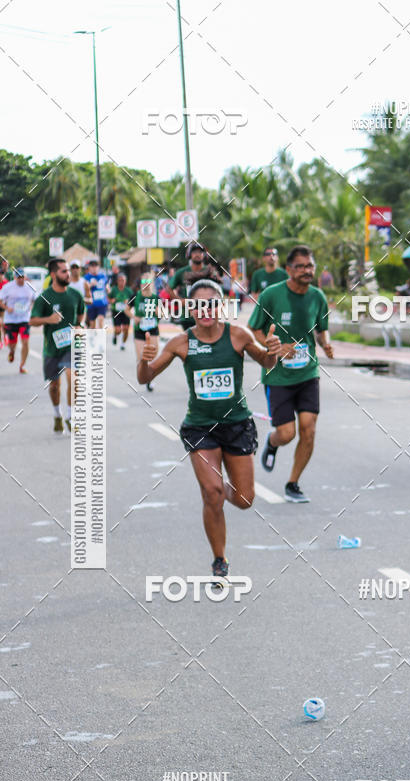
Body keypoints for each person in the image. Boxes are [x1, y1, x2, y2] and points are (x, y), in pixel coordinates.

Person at [137, 278, 281, 579]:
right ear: (190, 308)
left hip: (237, 425)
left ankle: (225, 489)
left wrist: (273, 350)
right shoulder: (181, 342)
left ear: (221, 307)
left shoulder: (238, 335)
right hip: (200, 427)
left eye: (212, 304)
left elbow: (267, 362)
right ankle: (219, 559)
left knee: (243, 499)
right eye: (199, 304)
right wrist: (143, 361)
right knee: (211, 493)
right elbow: (145, 377)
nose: (205, 309)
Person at [248, 244, 334, 502]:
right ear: (289, 269)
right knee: (287, 433)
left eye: (310, 266)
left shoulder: (317, 296)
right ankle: (272, 443)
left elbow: (321, 328)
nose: (307, 271)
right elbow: (255, 329)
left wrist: (325, 342)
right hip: (278, 376)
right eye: (301, 266)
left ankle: (293, 483)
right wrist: (272, 345)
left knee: (309, 429)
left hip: (308, 373)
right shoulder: (272, 295)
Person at [30, 258, 85, 432]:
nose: (68, 274)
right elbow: (32, 321)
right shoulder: (44, 297)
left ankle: (71, 416)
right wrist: (49, 319)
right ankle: (57, 414)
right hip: (52, 349)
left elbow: (81, 316)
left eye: (68, 270)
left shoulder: (75, 295)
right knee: (55, 386)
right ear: (54, 274)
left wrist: (79, 327)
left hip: (72, 346)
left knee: (74, 379)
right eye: (63, 271)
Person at [126, 273, 160, 391]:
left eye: (148, 281)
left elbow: (163, 314)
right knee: (141, 356)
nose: (145, 284)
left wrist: (158, 312)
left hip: (153, 329)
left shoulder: (156, 297)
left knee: (153, 354)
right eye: (143, 282)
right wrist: (134, 317)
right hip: (139, 330)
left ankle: (148, 374)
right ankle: (147, 379)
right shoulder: (135, 296)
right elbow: (126, 310)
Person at [0, 267, 34, 372]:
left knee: (25, 342)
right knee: (12, 343)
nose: (20, 279)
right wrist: (6, 308)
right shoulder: (7, 287)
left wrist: (31, 308)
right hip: (11, 319)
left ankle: (22, 365)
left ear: (25, 277)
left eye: (22, 277)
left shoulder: (30, 287)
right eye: (18, 277)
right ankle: (12, 351)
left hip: (24, 319)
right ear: (14, 277)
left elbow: (34, 300)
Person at [108, 272, 133, 349]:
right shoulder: (114, 290)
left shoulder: (128, 290)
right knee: (118, 330)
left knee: (126, 329)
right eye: (120, 280)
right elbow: (109, 299)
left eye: (123, 280)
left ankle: (123, 343)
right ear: (117, 281)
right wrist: (113, 300)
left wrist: (128, 302)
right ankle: (115, 335)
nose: (121, 282)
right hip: (116, 311)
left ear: (125, 281)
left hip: (125, 312)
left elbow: (132, 302)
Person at [83, 258, 109, 329]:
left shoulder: (103, 276)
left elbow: (107, 285)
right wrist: (91, 284)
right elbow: (84, 288)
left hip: (102, 303)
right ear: (89, 267)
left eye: (96, 266)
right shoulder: (86, 277)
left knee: (101, 321)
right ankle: (93, 339)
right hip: (91, 304)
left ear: (98, 267)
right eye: (92, 266)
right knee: (92, 325)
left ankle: (101, 339)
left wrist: (107, 288)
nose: (94, 268)